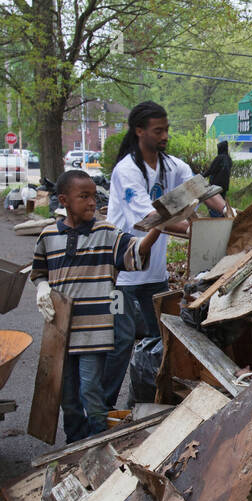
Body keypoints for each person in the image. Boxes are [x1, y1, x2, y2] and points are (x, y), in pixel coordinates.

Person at [33, 170, 162, 443]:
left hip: (95, 331)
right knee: (66, 395)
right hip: (61, 331)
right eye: (84, 197)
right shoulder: (47, 236)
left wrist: (158, 228)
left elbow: (135, 252)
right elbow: (38, 271)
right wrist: (42, 288)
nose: (92, 202)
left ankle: (97, 440)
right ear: (64, 200)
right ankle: (74, 441)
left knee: (90, 389)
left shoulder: (106, 233)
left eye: (94, 196)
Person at [104, 101, 215, 407]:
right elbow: (147, 219)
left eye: (166, 129)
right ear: (140, 131)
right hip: (122, 276)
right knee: (121, 341)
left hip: (154, 275)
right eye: (158, 130)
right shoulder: (126, 171)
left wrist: (230, 216)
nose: (165, 135)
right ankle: (102, 410)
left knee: (161, 340)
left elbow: (201, 189)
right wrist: (196, 231)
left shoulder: (172, 167)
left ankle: (148, 403)